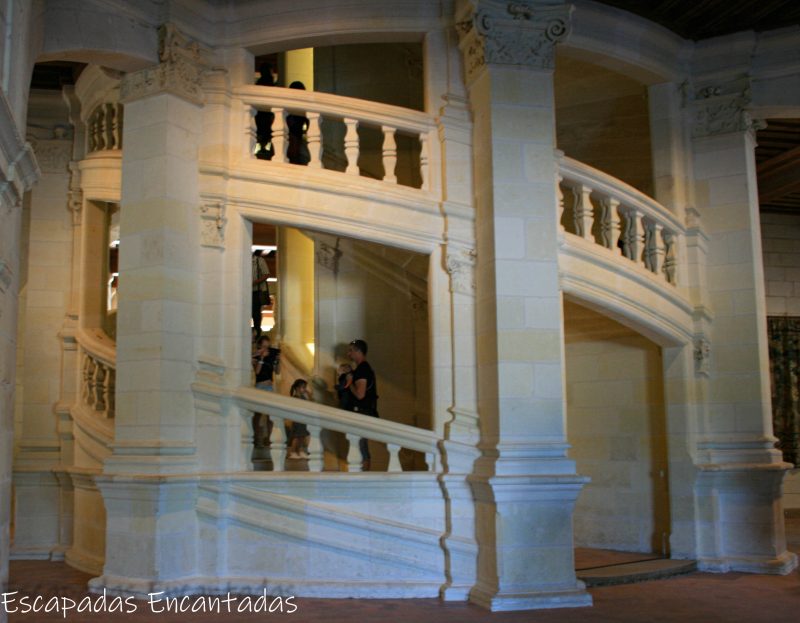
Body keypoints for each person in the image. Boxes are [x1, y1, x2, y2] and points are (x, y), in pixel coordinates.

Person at [346, 339, 378, 470]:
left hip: (362, 412)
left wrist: (349, 382)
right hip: (363, 411)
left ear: (359, 351)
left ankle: (364, 474)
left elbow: (360, 394)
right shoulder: (362, 368)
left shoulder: (363, 369)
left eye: (351, 351)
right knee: (359, 445)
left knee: (361, 446)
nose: (348, 354)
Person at [252, 335, 280, 447]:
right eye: (263, 346)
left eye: (267, 347)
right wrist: (262, 358)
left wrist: (278, 361)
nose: (266, 349)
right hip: (260, 386)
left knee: (270, 415)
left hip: (269, 387)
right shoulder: (256, 357)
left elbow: (277, 372)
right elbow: (257, 372)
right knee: (258, 414)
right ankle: (256, 438)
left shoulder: (271, 357)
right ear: (259, 346)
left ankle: (268, 438)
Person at [286, 81, 311, 165]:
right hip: (293, 133)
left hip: (295, 133)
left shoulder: (301, 106)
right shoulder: (301, 106)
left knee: (292, 152)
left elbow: (308, 121)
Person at [254, 64, 275, 160]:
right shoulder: (271, 83)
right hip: (268, 113)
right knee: (267, 131)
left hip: (260, 112)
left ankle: (261, 149)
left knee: (261, 131)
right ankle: (266, 149)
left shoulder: (259, 83)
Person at [288, 378, 311, 459]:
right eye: (303, 387)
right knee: (297, 437)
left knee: (302, 436)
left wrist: (308, 395)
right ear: (297, 388)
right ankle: (293, 452)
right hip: (297, 420)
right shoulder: (295, 397)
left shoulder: (303, 397)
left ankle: (300, 451)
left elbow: (309, 403)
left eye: (305, 387)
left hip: (303, 419)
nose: (305, 389)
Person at [251, 249, 270, 338]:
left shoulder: (259, 260)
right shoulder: (242, 261)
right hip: (245, 291)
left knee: (256, 314)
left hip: (256, 291)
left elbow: (266, 274)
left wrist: (255, 282)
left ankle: (257, 334)